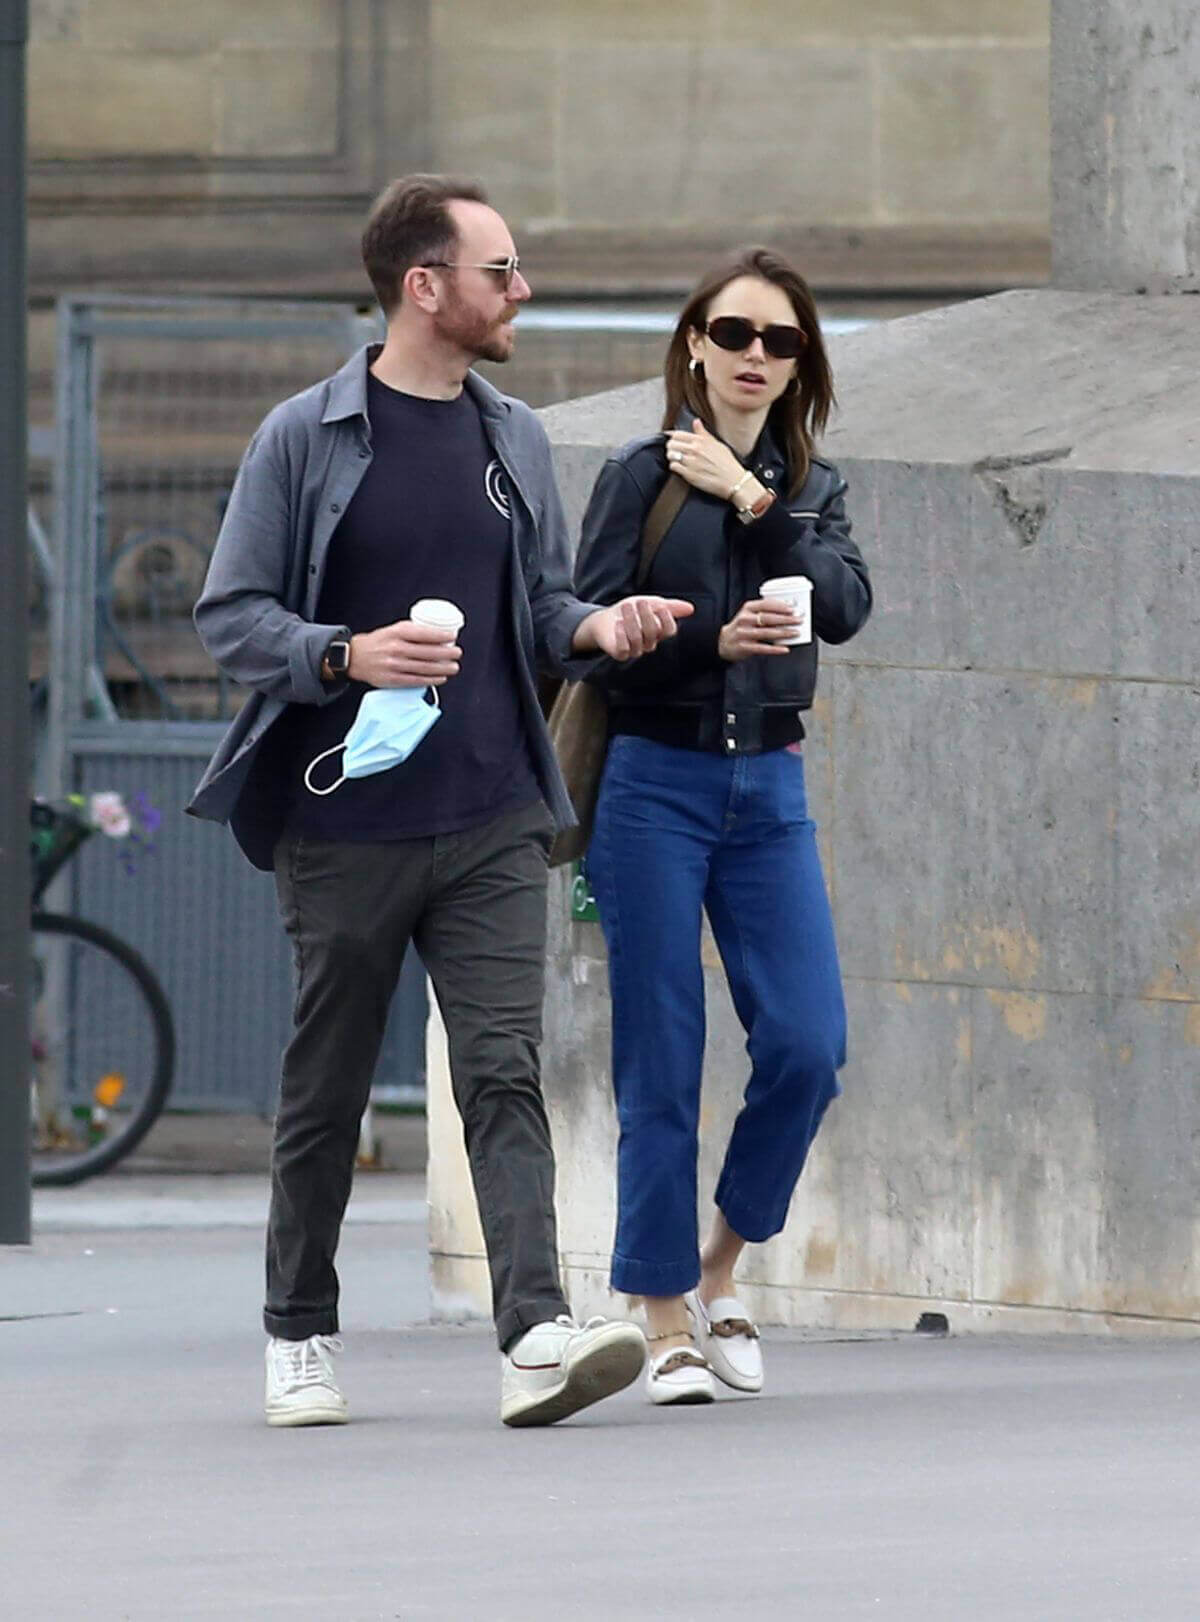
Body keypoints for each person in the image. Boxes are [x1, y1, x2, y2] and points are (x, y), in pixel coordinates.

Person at [187, 174, 693, 1429]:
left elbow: (539, 613)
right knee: (328, 1090)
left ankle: (533, 1332)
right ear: (426, 287)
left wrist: (602, 624)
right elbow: (230, 614)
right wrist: (344, 654)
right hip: (343, 819)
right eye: (500, 270)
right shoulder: (303, 437)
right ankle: (298, 1331)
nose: (521, 292)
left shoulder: (512, 434)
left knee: (504, 1074)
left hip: (487, 813)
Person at [573, 246, 872, 1405]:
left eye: (780, 341)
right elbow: (571, 626)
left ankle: (718, 1267)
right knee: (664, 1054)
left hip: (771, 791)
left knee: (807, 1043)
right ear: (693, 343)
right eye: (735, 334)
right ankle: (661, 1320)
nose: (755, 357)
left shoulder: (810, 485)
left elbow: (840, 607)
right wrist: (700, 638)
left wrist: (754, 499)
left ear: (801, 365)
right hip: (653, 782)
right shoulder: (636, 475)